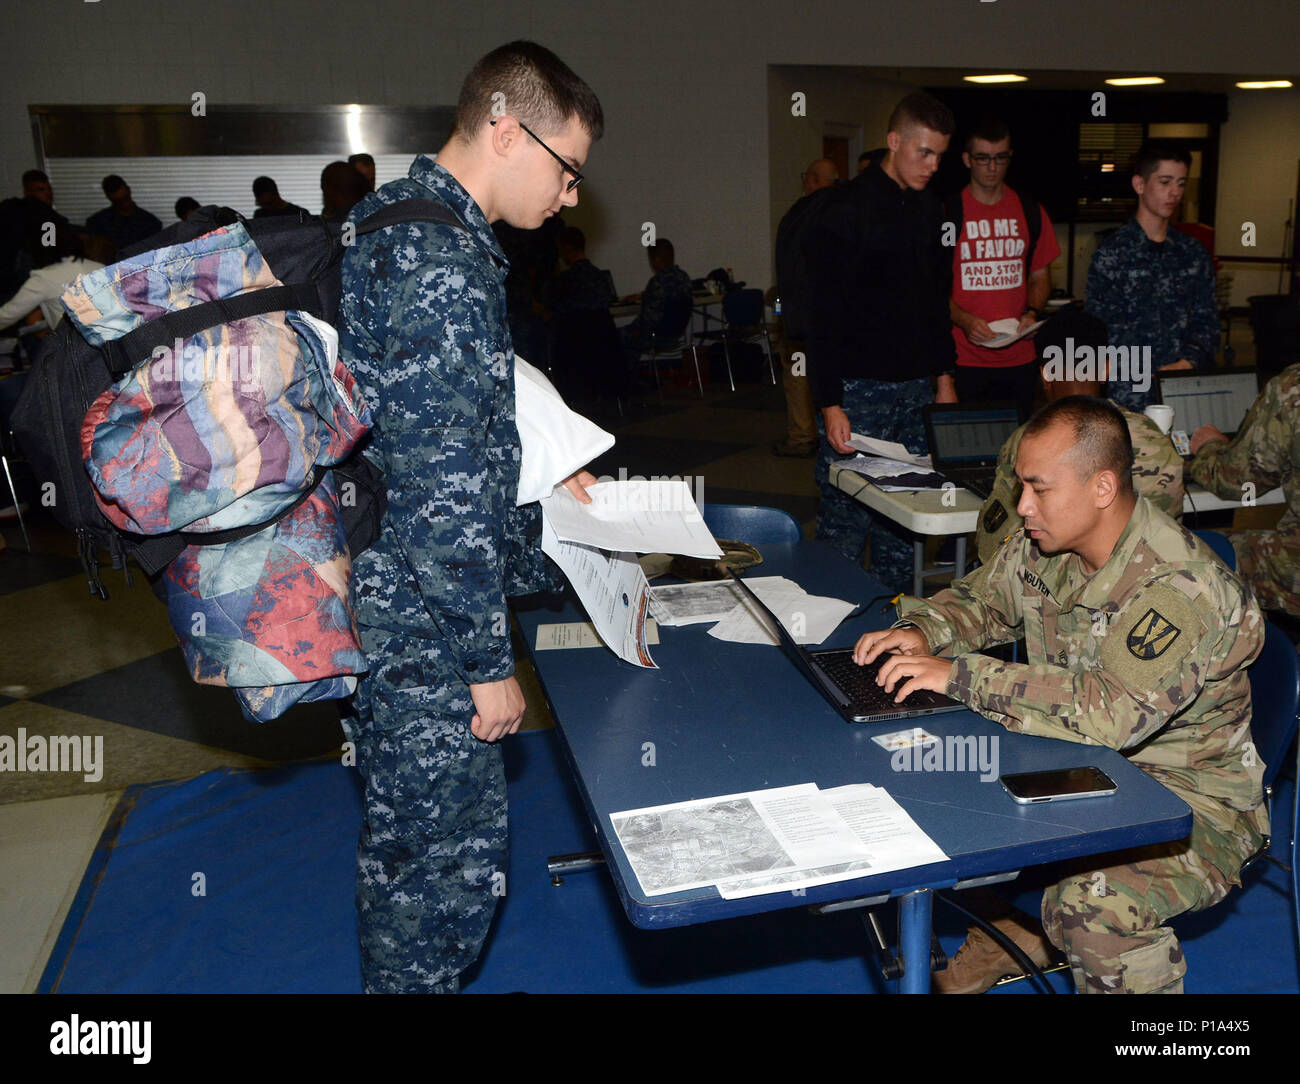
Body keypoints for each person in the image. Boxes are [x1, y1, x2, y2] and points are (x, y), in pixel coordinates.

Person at [337, 39, 602, 995]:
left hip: (400, 598)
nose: (571, 196)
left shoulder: (395, 222)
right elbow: (437, 489)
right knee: (439, 871)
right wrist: (489, 665)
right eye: (566, 169)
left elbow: (446, 434)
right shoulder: (439, 257)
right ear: (505, 126)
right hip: (425, 629)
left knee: (420, 853)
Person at [854, 395, 1267, 994]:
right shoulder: (1046, 540)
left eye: (1039, 489)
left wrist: (957, 674)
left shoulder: (1181, 587)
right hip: (1081, 764)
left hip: (1190, 800)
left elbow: (1109, 713)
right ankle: (1015, 935)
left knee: (1092, 906)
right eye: (1022, 486)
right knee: (951, 779)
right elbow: (981, 601)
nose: (1022, 506)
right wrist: (921, 631)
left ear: (1102, 488)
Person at [801, 92, 957, 595]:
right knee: (845, 523)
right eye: (922, 152)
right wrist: (829, 402)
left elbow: (938, 305)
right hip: (857, 391)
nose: (932, 165)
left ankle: (892, 631)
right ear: (894, 142)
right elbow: (820, 315)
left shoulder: (931, 211)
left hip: (914, 393)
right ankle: (831, 635)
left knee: (904, 523)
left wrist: (945, 380)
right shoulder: (844, 210)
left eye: (939, 155)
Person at [975, 307, 1182, 563]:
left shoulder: (1028, 441)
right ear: (1106, 369)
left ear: (1046, 374)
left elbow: (994, 544)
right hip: (1156, 577)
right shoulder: (1154, 435)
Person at [1086, 141, 1218, 412]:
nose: (1175, 193)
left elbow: (1208, 323)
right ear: (1139, 184)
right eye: (1165, 182)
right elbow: (1098, 329)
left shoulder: (1192, 253)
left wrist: (1187, 362)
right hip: (1128, 393)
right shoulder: (1113, 254)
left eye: (1181, 184)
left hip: (1182, 388)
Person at [947, 119, 1059, 420]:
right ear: (967, 160)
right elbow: (931, 287)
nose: (992, 167)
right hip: (964, 358)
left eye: (1000, 158)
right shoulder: (948, 214)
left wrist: (1032, 313)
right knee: (968, 447)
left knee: (1016, 449)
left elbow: (1040, 276)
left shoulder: (1030, 211)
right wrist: (965, 320)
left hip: (1019, 357)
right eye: (983, 158)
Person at [1188, 364, 1300, 618]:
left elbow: (1236, 481)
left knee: (1200, 550)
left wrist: (1209, 447)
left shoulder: (1291, 389)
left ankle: (1243, 648)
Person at [771, 157, 839, 458]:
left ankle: (801, 436)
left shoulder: (798, 214)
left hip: (800, 313)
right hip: (835, 315)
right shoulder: (844, 210)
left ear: (810, 179)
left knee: (798, 376)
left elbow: (790, 265)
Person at [0, 226, 111, 332]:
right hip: (113, 346)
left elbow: (6, 316)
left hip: (72, 348)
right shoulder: (101, 268)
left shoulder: (44, 278)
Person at [0, 170, 72, 303]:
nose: (48, 194)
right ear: (28, 192)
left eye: (49, 189)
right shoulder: (46, 216)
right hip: (24, 280)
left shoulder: (8, 209)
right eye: (41, 190)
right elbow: (49, 250)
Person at [619, 237, 692, 357]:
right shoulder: (684, 278)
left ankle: (627, 374)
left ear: (656, 259)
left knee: (613, 337)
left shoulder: (657, 282)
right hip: (676, 334)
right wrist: (643, 295)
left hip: (656, 336)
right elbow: (670, 295)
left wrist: (635, 331)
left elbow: (648, 320)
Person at [86, 175, 162, 255]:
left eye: (125, 199)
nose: (123, 204)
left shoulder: (151, 222)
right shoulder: (97, 223)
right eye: (118, 201)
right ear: (108, 196)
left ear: (129, 190)